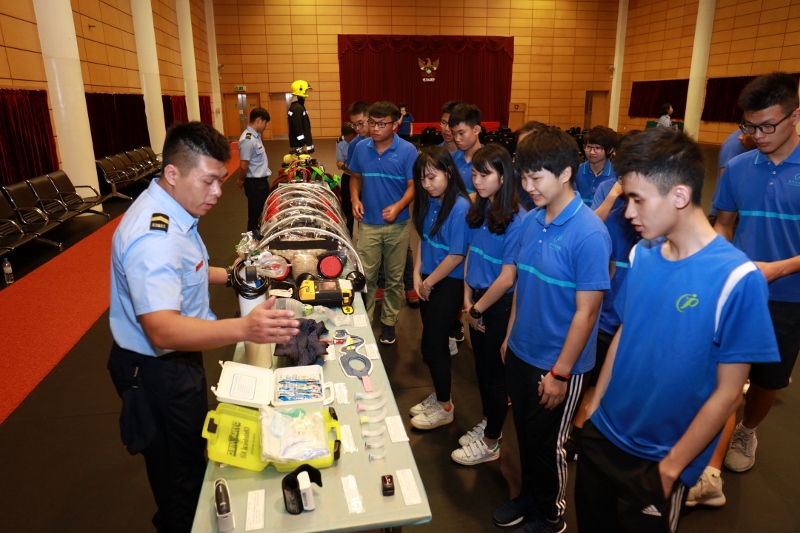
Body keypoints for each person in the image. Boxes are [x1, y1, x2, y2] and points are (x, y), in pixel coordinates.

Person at [575, 128, 779, 533]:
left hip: (660, 457)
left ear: (680, 196)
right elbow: (625, 333)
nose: (627, 212)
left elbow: (727, 394)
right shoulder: (642, 254)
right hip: (604, 436)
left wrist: (672, 467)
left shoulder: (738, 278)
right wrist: (593, 405)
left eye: (637, 200)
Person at [108, 122, 300, 533]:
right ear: (174, 173)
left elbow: (188, 269)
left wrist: (233, 273)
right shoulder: (153, 237)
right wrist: (245, 329)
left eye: (221, 180)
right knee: (182, 478)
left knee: (189, 455)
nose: (217, 192)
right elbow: (162, 330)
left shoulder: (173, 211)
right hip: (157, 369)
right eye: (209, 181)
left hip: (172, 363)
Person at [493, 127, 611, 533]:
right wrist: (510, 335)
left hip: (559, 364)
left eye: (536, 178)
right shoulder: (531, 223)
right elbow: (522, 286)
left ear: (565, 173)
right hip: (522, 351)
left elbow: (587, 312)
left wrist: (561, 372)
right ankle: (530, 496)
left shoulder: (590, 233)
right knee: (525, 436)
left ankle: (552, 514)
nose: (528, 187)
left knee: (549, 445)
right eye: (523, 178)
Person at [713, 72, 800, 475]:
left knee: (768, 378)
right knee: (723, 369)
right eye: (751, 126)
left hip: (789, 297)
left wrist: (778, 268)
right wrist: (725, 262)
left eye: (768, 125)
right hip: (741, 292)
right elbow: (725, 222)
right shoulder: (738, 166)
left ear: (795, 115)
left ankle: (747, 430)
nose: (758, 135)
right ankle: (711, 432)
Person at [565, 130, 640, 463]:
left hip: (630, 297)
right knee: (595, 367)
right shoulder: (609, 191)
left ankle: (589, 429)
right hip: (606, 294)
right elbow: (593, 225)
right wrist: (613, 195)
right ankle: (582, 424)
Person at [451, 143, 525, 465]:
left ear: (504, 175)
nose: (476, 180)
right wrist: (468, 300)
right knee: (481, 370)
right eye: (475, 173)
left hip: (497, 305)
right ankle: (489, 423)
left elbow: (508, 277)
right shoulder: (479, 209)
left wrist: (478, 309)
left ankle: (491, 442)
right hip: (478, 302)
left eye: (485, 174)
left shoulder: (516, 219)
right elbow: (472, 256)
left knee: (494, 376)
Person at [410, 146, 471, 430]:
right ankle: (441, 395)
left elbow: (456, 255)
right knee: (434, 346)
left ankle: (446, 406)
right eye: (422, 179)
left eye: (432, 178)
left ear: (448, 172)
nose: (427, 184)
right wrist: (416, 275)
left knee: (432, 345)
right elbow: (424, 239)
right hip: (427, 280)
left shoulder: (459, 206)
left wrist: (429, 281)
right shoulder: (431, 200)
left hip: (447, 283)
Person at [349, 101, 418, 344]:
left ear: (395, 125)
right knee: (364, 277)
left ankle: (388, 323)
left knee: (394, 278)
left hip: (397, 225)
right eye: (372, 123)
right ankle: (365, 322)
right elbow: (355, 178)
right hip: (368, 223)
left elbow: (413, 187)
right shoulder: (360, 148)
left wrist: (399, 206)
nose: (375, 128)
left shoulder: (408, 151)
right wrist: (354, 197)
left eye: (381, 124)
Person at [236, 107, 271, 233]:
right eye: (265, 123)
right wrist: (240, 180)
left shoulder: (256, 136)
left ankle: (258, 239)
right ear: (259, 120)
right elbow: (243, 165)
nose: (265, 126)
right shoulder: (248, 139)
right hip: (255, 184)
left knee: (262, 214)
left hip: (261, 182)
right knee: (254, 216)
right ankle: (250, 244)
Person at [575, 126, 617, 205]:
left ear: (610, 150)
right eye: (588, 147)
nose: (592, 152)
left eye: (597, 148)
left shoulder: (617, 174)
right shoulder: (576, 171)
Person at [448, 103, 483, 195]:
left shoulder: (490, 161)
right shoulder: (451, 159)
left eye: (461, 133)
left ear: (476, 130)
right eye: (454, 133)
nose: (456, 138)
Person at [288, 79, 314, 153]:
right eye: (306, 90)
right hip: (301, 146)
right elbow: (298, 128)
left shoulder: (297, 106)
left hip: (300, 144)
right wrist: (303, 144)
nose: (306, 93)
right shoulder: (297, 108)